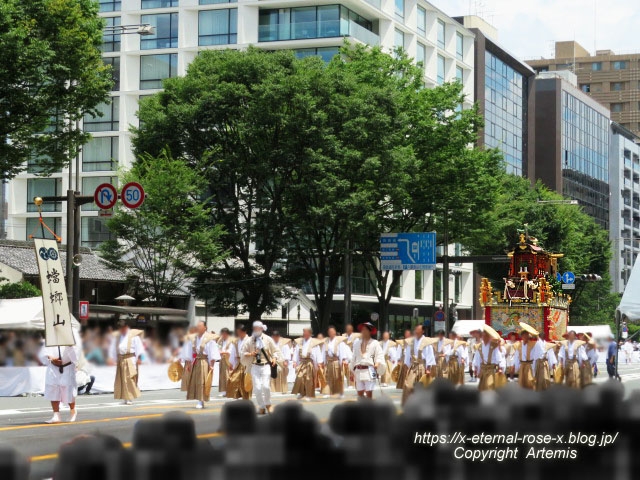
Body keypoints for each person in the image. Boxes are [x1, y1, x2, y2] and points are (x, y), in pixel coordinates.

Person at [39, 329, 81, 423]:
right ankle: (56, 414)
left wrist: (70, 345)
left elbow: (76, 355)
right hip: (53, 367)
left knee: (68, 390)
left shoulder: (71, 333)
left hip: (67, 366)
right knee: (53, 389)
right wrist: (52, 359)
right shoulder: (50, 335)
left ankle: (73, 411)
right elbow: (44, 353)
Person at [241, 321, 280, 415]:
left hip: (266, 365)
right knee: (257, 388)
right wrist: (250, 354)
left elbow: (275, 350)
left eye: (258, 328)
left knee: (266, 386)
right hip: (254, 366)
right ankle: (261, 406)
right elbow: (242, 352)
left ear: (262, 329)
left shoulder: (268, 339)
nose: (256, 330)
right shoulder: (249, 340)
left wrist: (274, 358)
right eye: (255, 328)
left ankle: (268, 404)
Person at [182, 320, 220, 409]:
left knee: (202, 382)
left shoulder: (209, 338)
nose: (198, 328)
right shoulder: (194, 338)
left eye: (200, 326)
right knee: (196, 382)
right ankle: (200, 400)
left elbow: (213, 352)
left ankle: (200, 400)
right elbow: (190, 351)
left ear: (205, 328)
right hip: (196, 361)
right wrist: (188, 363)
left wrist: (212, 365)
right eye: (197, 326)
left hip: (204, 362)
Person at [108, 320, 144, 405]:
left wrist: (139, 358)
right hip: (121, 359)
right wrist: (112, 358)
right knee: (121, 378)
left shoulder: (134, 336)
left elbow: (139, 348)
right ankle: (124, 397)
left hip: (130, 358)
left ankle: (130, 397)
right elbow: (113, 348)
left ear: (126, 327)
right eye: (120, 329)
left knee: (129, 378)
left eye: (123, 329)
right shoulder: (117, 337)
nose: (122, 331)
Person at [401, 325, 436, 405]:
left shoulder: (426, 342)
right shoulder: (411, 341)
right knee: (408, 386)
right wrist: (406, 365)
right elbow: (407, 355)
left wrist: (428, 368)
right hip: (413, 367)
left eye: (418, 330)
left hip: (422, 367)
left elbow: (430, 355)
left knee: (422, 388)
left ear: (422, 331)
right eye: (416, 330)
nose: (416, 331)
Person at [350, 323, 385, 398]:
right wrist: (351, 371)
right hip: (358, 370)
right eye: (362, 330)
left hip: (369, 371)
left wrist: (377, 363)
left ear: (370, 331)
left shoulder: (375, 343)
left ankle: (369, 408)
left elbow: (379, 355)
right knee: (359, 393)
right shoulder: (357, 343)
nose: (363, 331)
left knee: (369, 393)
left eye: (365, 330)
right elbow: (353, 357)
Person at [292, 328, 323, 399]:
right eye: (304, 332)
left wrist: (319, 362)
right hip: (302, 362)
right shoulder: (300, 342)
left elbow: (317, 353)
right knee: (300, 377)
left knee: (309, 379)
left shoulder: (314, 343)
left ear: (310, 333)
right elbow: (296, 352)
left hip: (310, 362)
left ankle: (309, 394)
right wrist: (294, 361)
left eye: (306, 332)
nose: (304, 334)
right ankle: (302, 393)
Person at [472, 325, 505, 391]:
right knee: (482, 387)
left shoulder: (494, 345)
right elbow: (477, 359)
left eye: (485, 335)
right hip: (483, 370)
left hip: (491, 369)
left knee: (490, 385)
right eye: (483, 335)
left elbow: (498, 358)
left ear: (488, 336)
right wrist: (475, 368)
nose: (484, 337)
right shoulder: (479, 346)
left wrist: (500, 368)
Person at [513, 322, 544, 390]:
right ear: (521, 336)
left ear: (529, 336)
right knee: (522, 381)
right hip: (522, 365)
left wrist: (537, 337)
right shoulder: (518, 345)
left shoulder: (534, 344)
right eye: (523, 335)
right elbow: (516, 356)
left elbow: (540, 351)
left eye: (526, 335)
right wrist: (516, 366)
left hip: (530, 365)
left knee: (530, 381)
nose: (525, 337)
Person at [323, 326, 351, 397]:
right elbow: (324, 352)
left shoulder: (339, 341)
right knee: (328, 377)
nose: (331, 333)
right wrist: (323, 362)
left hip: (336, 361)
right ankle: (329, 392)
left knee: (338, 377)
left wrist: (343, 360)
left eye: (332, 331)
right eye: (329, 332)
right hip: (329, 361)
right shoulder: (326, 341)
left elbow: (342, 352)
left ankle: (340, 393)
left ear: (334, 332)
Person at [226, 324, 251, 400]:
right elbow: (233, 352)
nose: (239, 334)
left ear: (244, 332)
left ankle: (246, 399)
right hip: (238, 363)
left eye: (240, 332)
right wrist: (231, 363)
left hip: (247, 363)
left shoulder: (250, 340)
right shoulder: (236, 341)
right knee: (233, 380)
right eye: (238, 332)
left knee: (245, 383)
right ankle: (236, 397)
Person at [271, 330, 291, 395]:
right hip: (273, 362)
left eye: (276, 337)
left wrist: (286, 361)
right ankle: (273, 390)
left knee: (280, 374)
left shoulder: (283, 344)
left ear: (278, 337)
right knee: (272, 376)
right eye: (273, 337)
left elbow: (287, 353)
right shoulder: (270, 343)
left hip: (281, 362)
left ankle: (282, 390)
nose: (275, 338)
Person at [217, 328, 235, 397]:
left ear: (227, 334)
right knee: (222, 375)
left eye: (224, 334)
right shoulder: (221, 341)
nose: (222, 335)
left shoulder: (231, 341)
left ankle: (229, 390)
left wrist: (222, 352)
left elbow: (230, 351)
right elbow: (218, 347)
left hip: (228, 359)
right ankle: (223, 390)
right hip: (222, 359)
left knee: (228, 375)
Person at [343, 324, 357, 389]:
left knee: (351, 370)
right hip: (345, 355)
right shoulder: (344, 336)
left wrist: (352, 359)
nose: (347, 330)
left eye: (349, 329)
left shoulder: (355, 338)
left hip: (352, 356)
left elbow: (355, 349)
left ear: (351, 330)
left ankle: (352, 384)